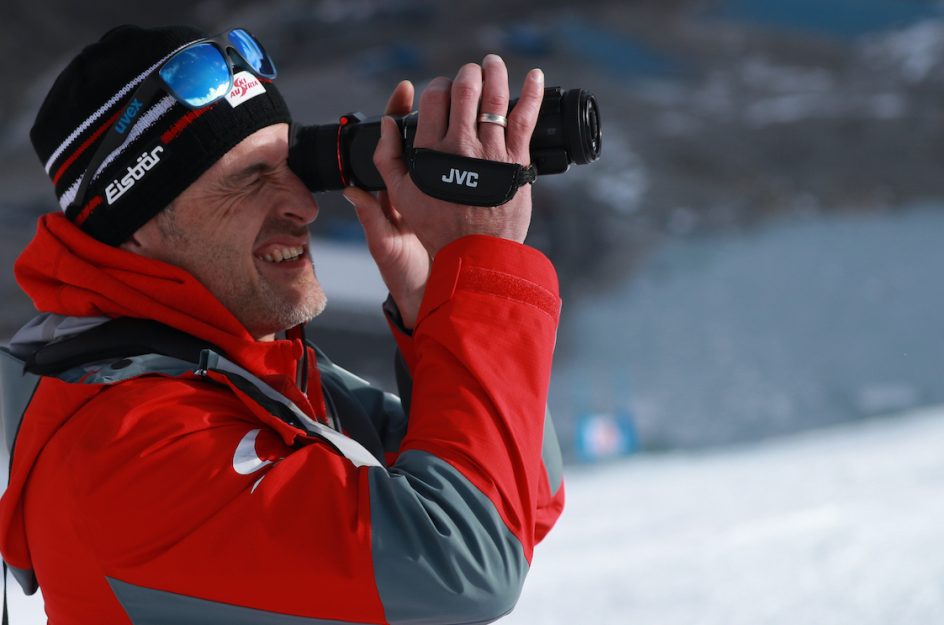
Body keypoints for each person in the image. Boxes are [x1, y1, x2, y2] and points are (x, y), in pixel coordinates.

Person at [0, 24, 564, 624]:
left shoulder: (259, 381)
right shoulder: (125, 449)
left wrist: (435, 298)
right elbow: (463, 567)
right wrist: (480, 266)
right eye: (250, 175)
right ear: (137, 223)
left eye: (292, 163)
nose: (307, 203)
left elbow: (522, 498)